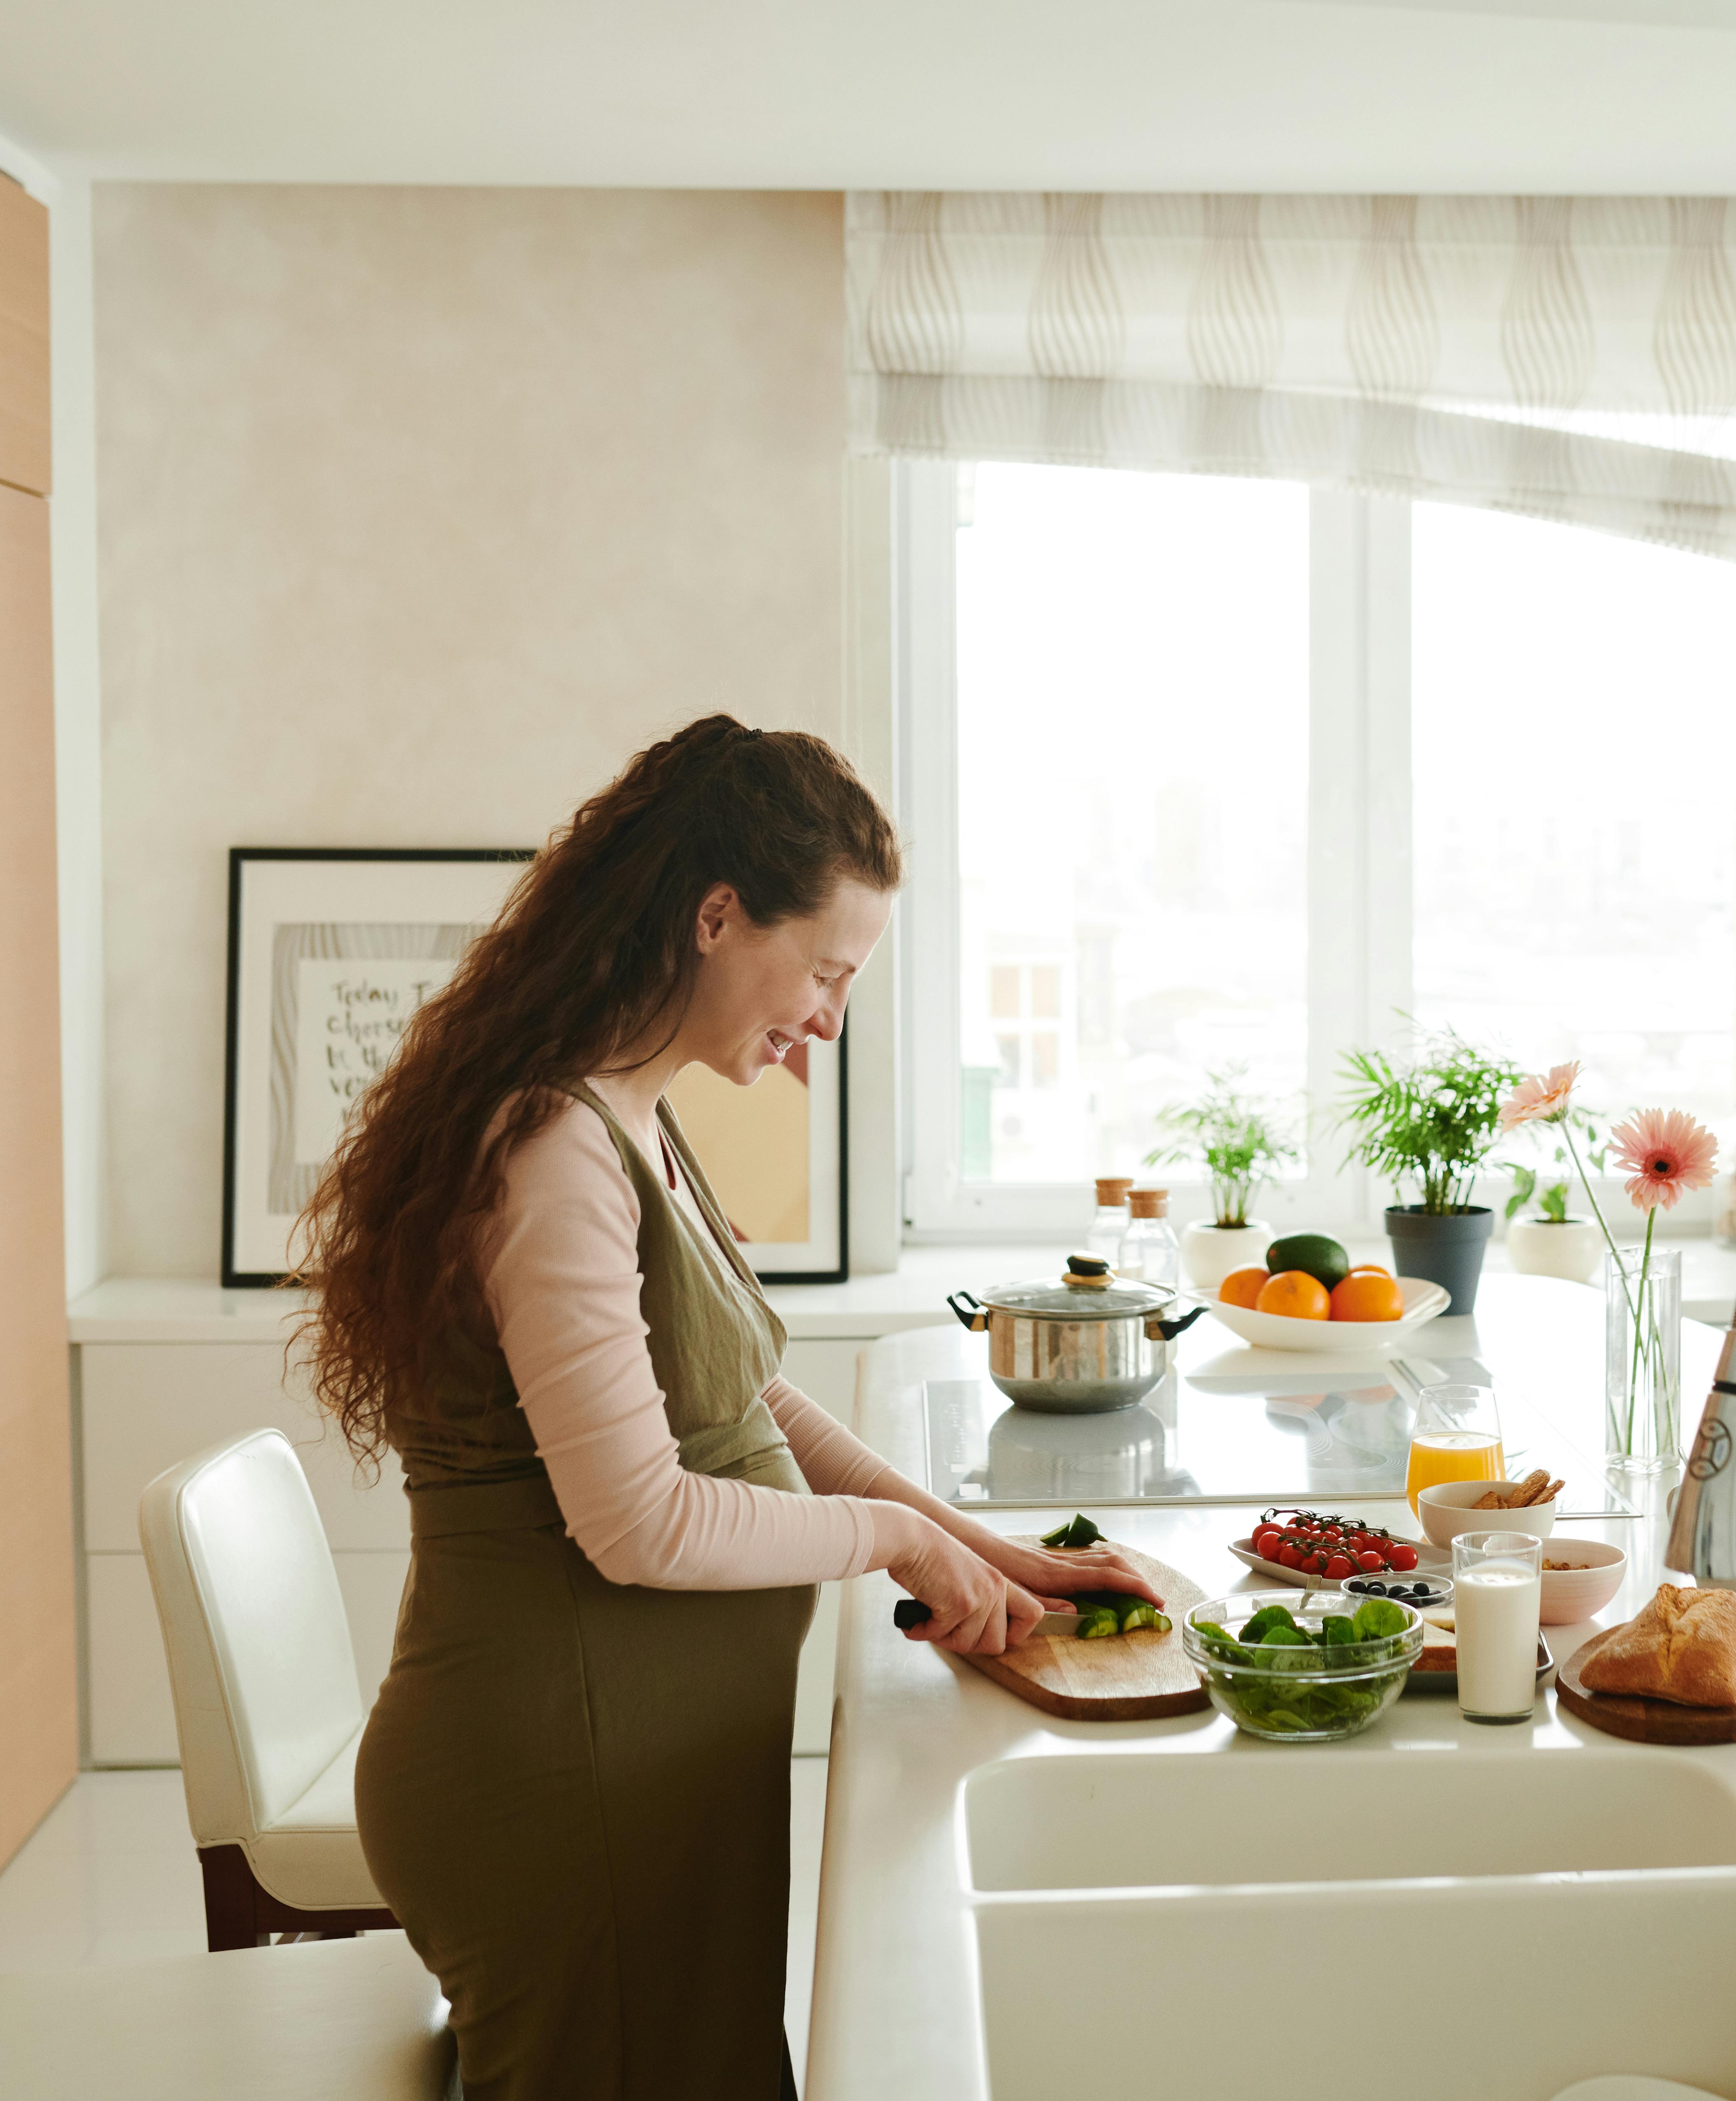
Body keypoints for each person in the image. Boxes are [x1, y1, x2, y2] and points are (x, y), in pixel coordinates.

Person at [297, 715, 1153, 2100]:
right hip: (560, 1791)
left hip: (632, 1779)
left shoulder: (631, 1109)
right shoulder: (555, 1150)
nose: (829, 1017)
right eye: (825, 968)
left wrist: (970, 1543)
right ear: (714, 915)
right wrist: (888, 1542)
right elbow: (636, 1519)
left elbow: (744, 1394)